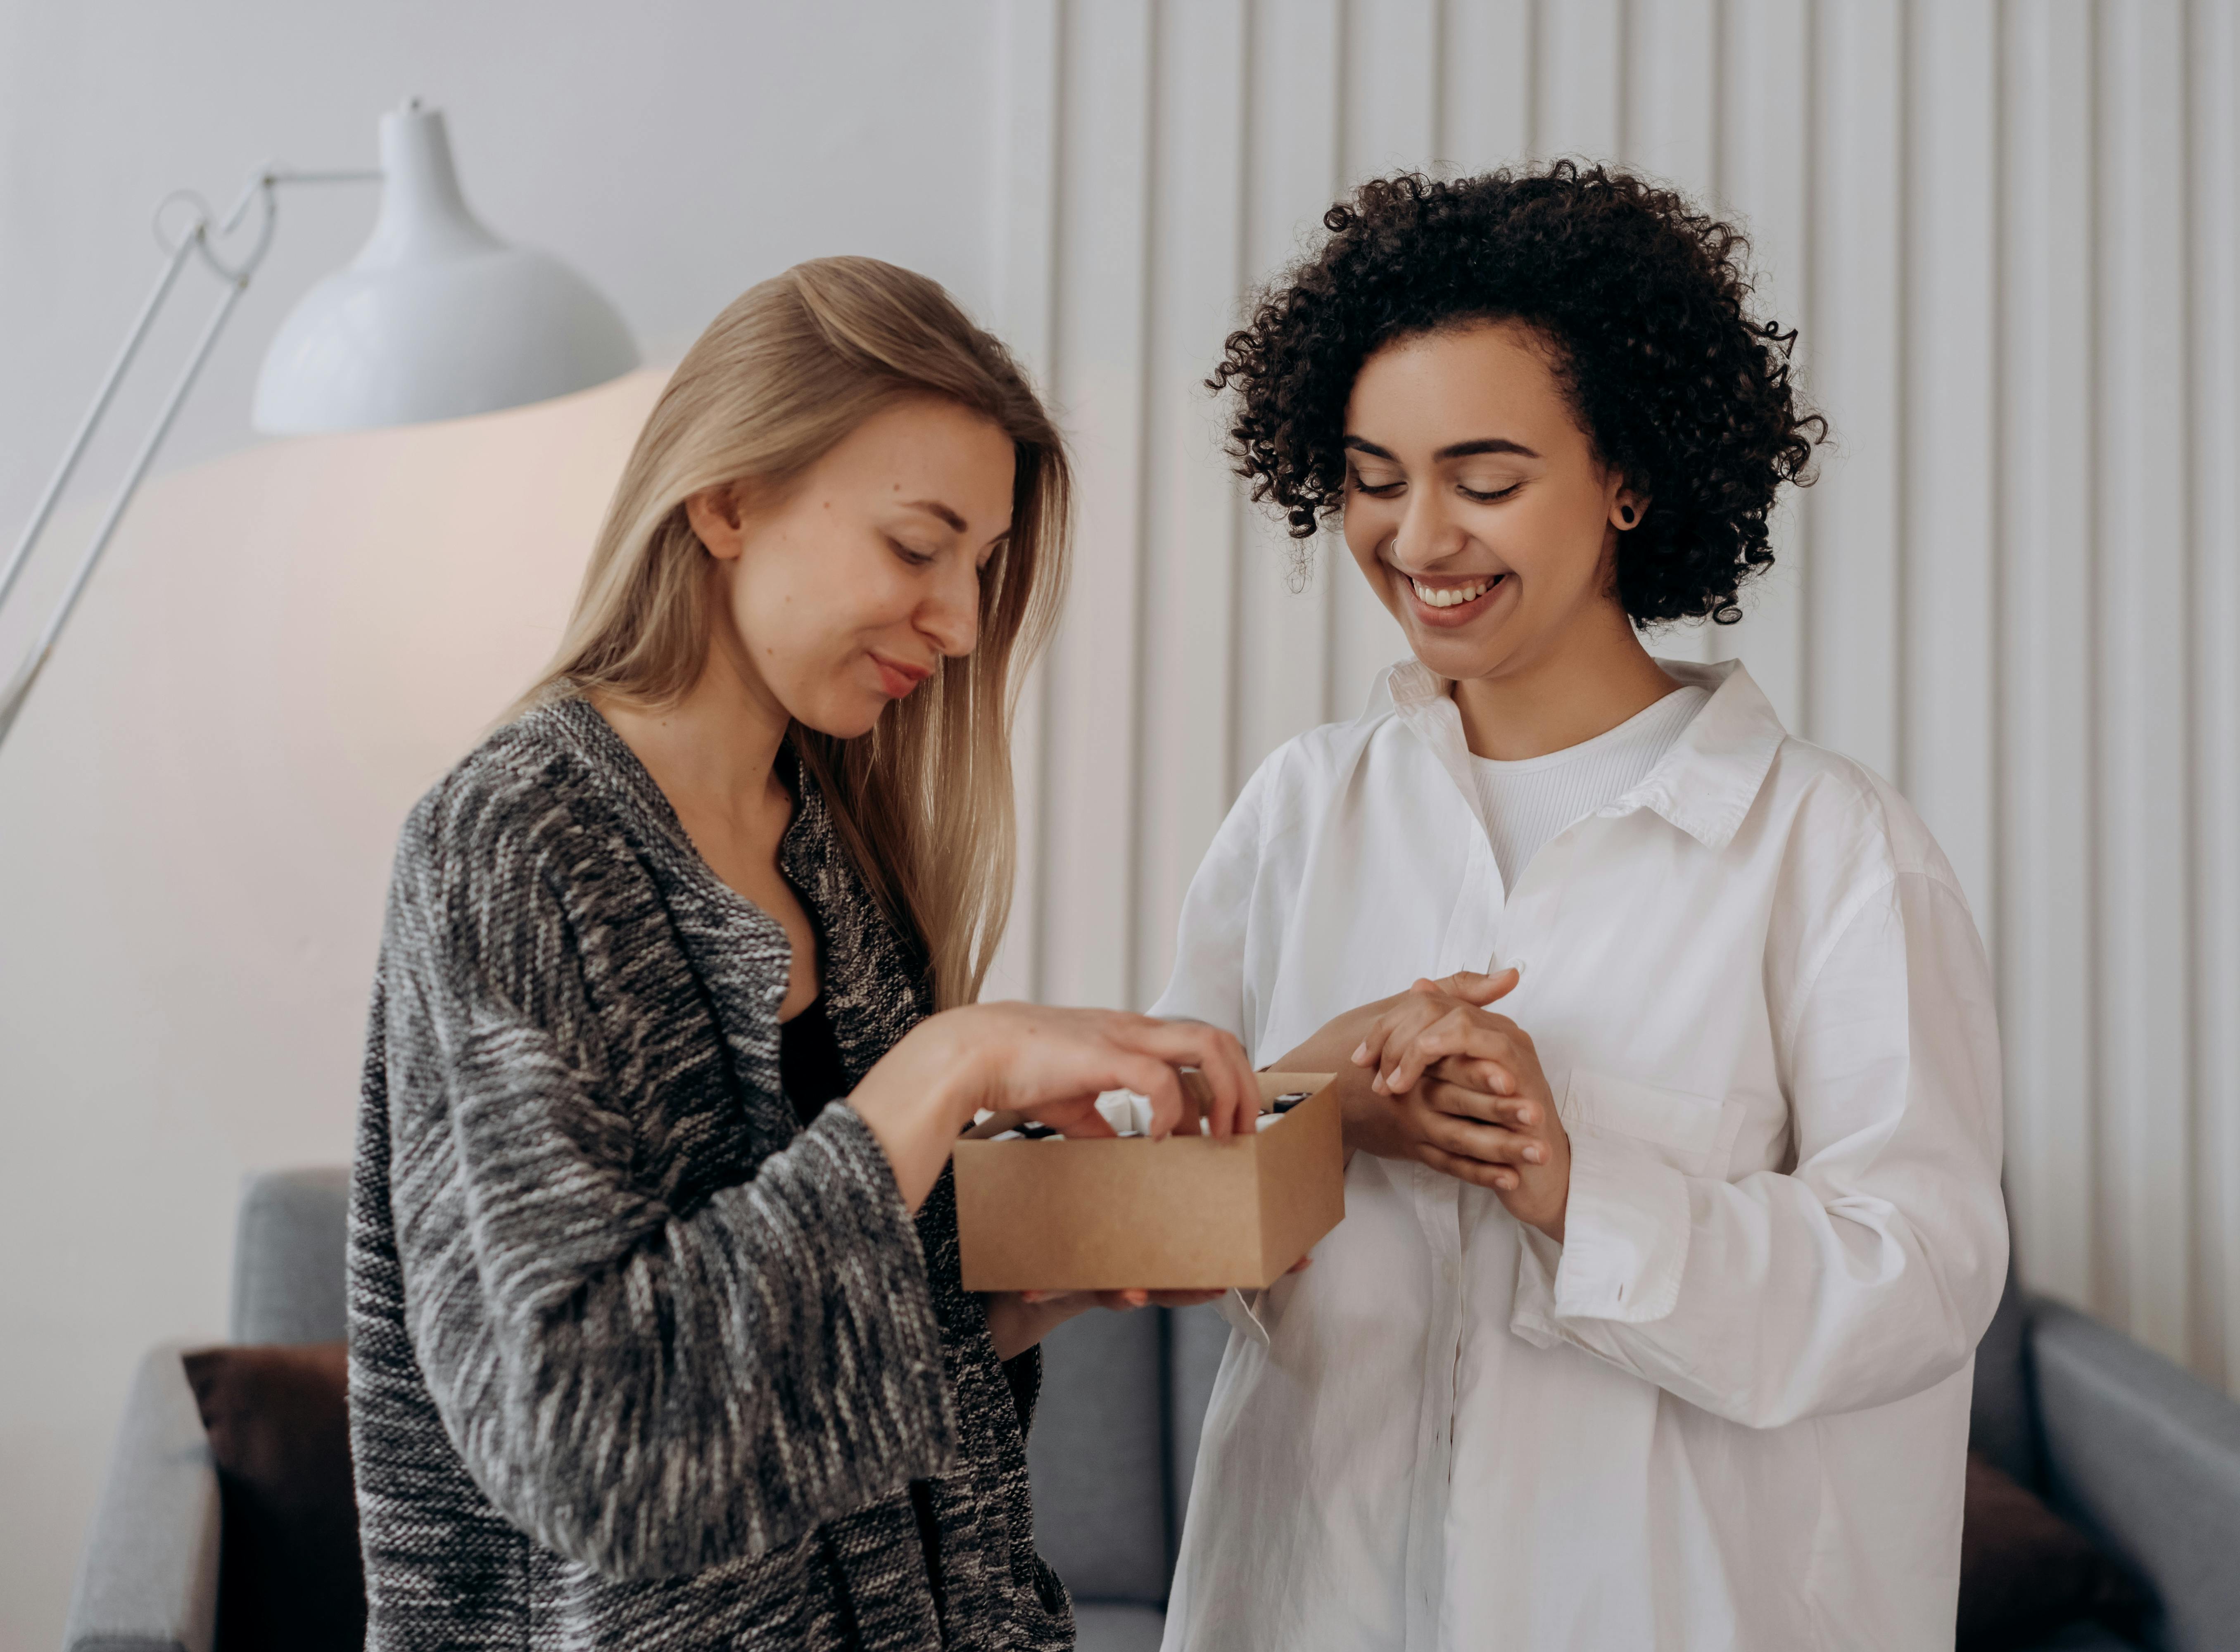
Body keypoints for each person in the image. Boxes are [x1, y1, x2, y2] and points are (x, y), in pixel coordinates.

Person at [1154, 164, 2010, 1649]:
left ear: (1629, 474)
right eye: (1372, 479)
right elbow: (1153, 1216)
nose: (1419, 541)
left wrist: (1573, 1189)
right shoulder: (1304, 810)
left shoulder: (1833, 849)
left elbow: (1921, 1279)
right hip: (1311, 1603)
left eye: (1485, 482)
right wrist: (1318, 1101)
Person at [347, 256, 1256, 1652]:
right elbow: (596, 1444)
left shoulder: (839, 847)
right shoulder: (513, 846)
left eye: (982, 566)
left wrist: (1051, 1268)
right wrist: (949, 1067)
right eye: (916, 546)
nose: (959, 623)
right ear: (727, 498)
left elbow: (843, 1380)